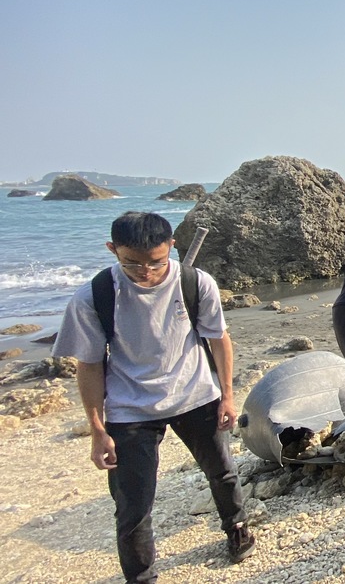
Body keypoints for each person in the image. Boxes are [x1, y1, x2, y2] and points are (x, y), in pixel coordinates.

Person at [53, 211, 254, 583]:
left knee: (222, 471)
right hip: (130, 409)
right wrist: (97, 429)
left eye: (157, 262)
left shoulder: (195, 283)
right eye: (132, 263)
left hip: (195, 394)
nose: (146, 271)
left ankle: (237, 526)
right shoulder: (93, 297)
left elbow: (219, 340)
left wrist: (227, 396)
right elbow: (90, 365)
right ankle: (141, 576)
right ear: (112, 250)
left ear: (172, 248)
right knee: (133, 503)